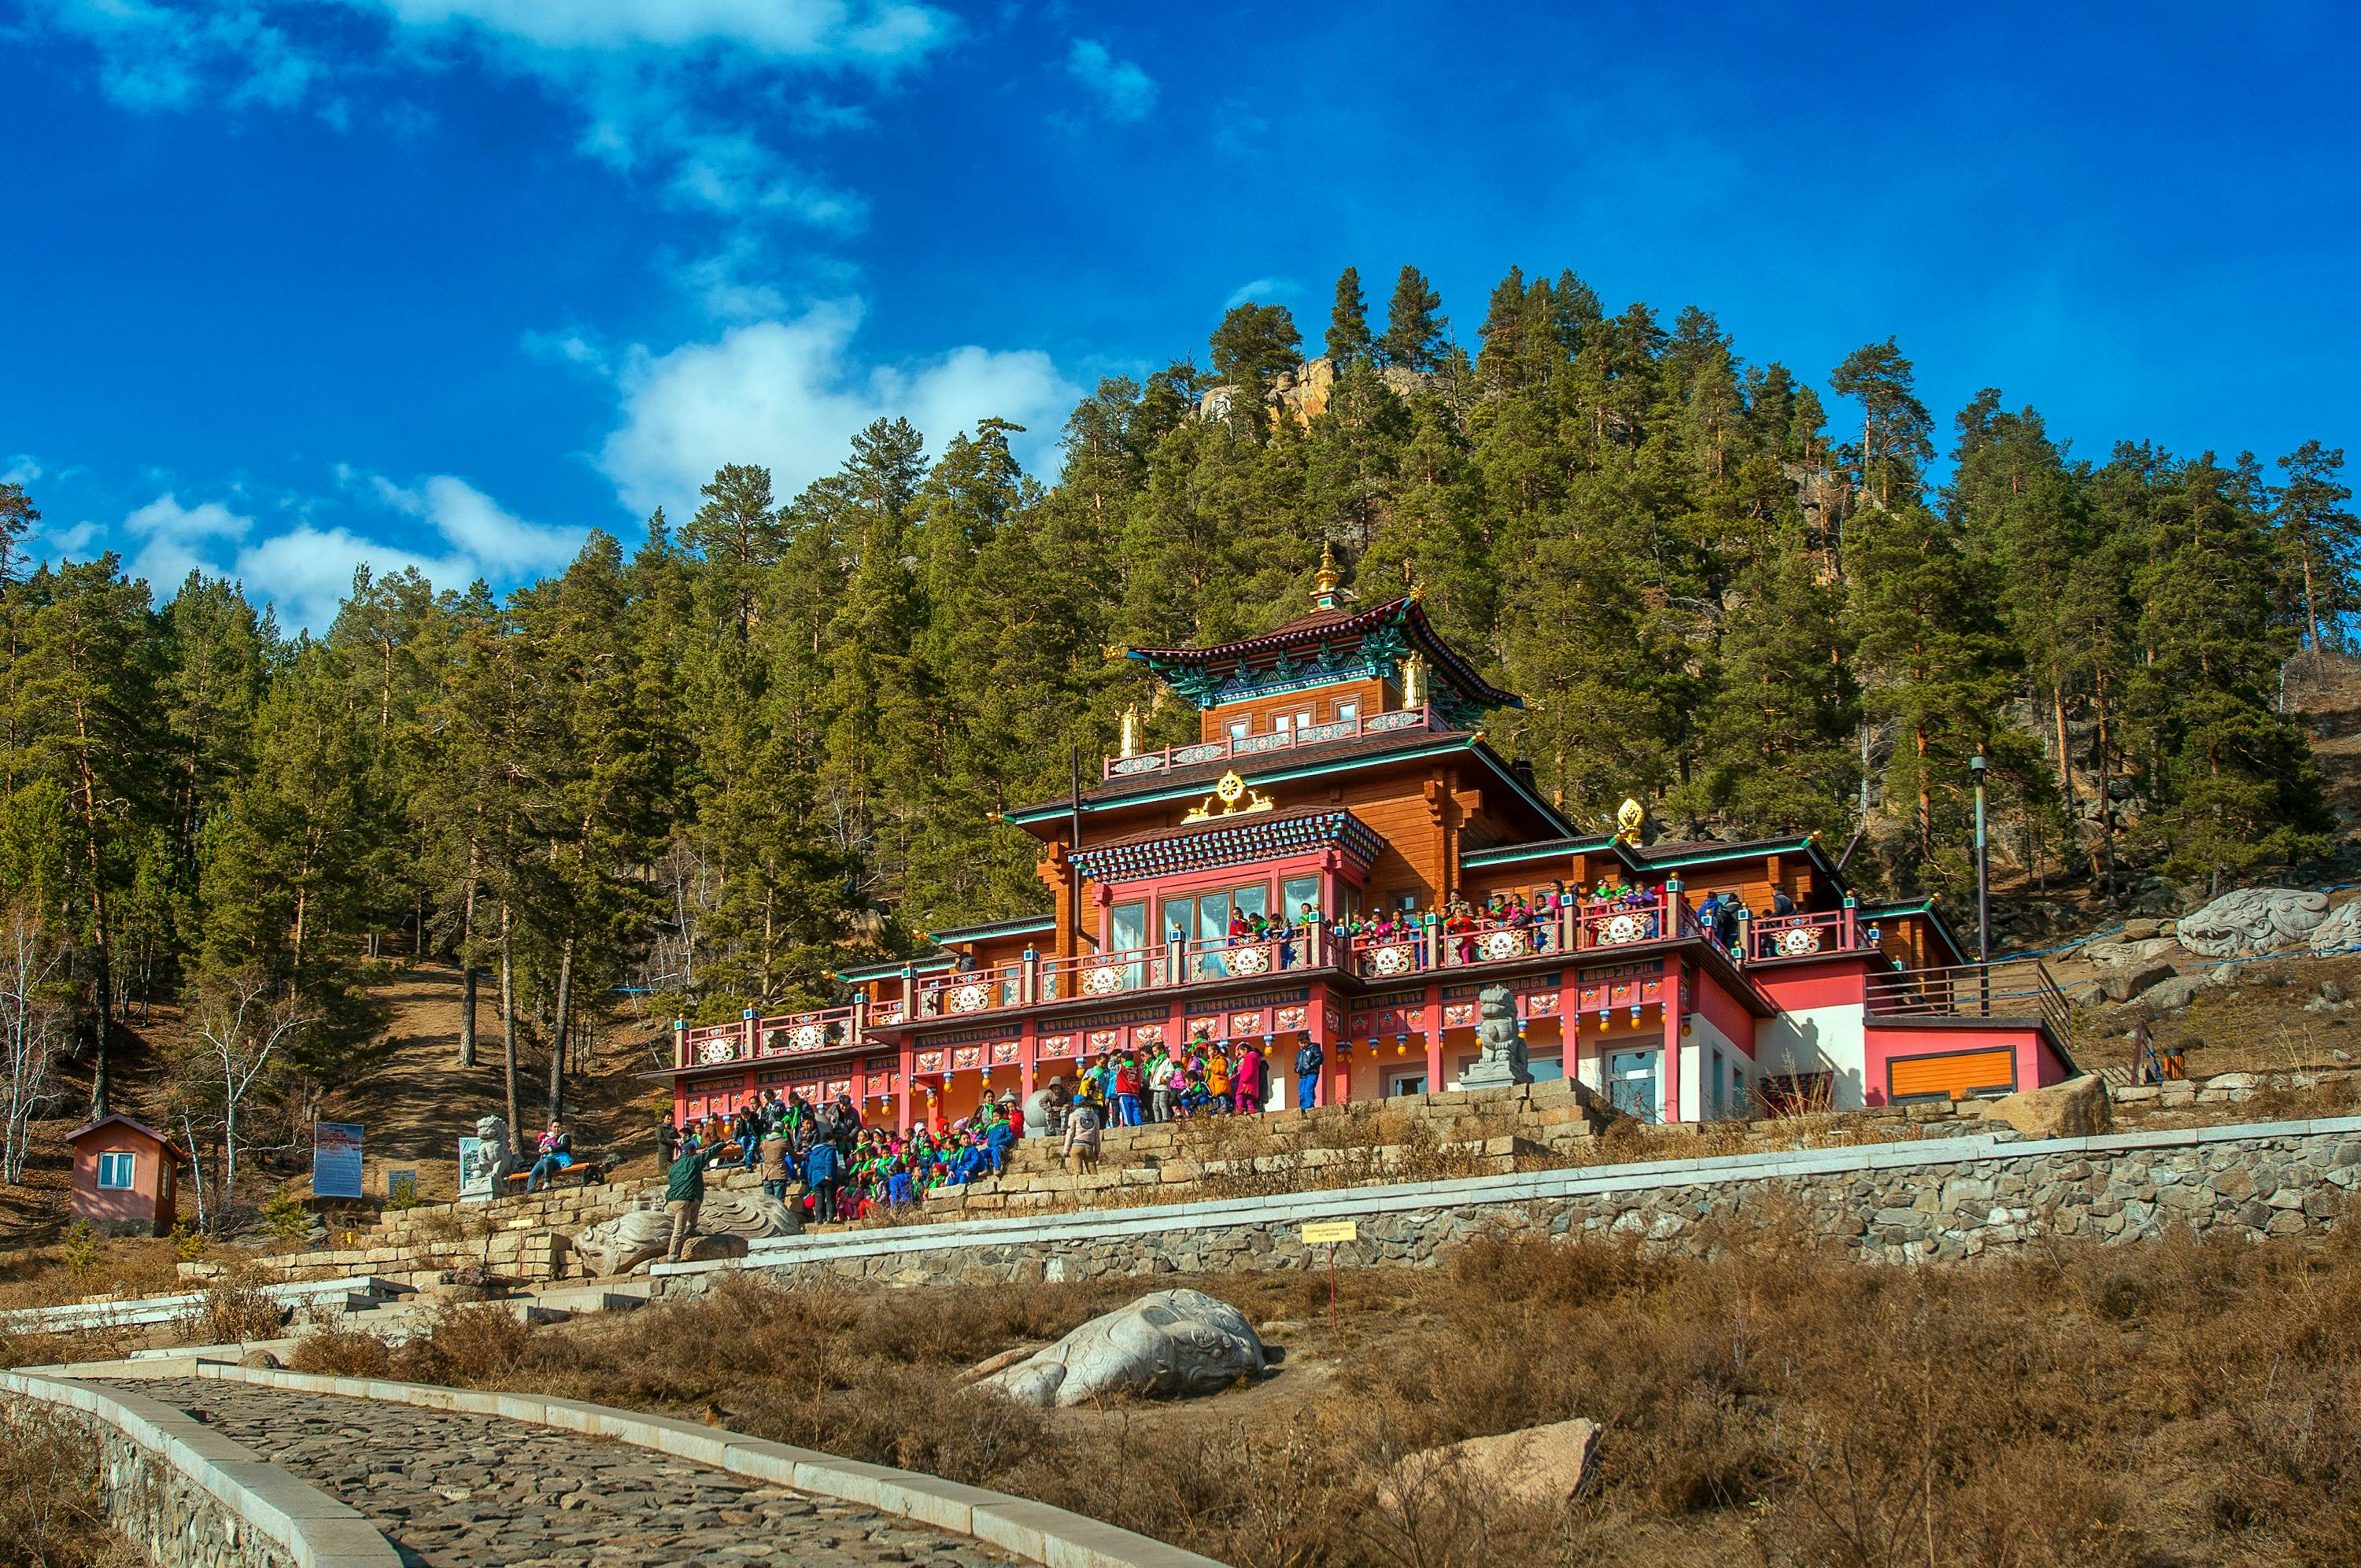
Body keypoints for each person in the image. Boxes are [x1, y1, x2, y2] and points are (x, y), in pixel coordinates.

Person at [663, 1137, 706, 1264]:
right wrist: (724, 1144)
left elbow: (671, 1179)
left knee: (697, 1202)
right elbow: (709, 1153)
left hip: (675, 1199)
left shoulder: (674, 1167)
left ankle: (692, 1228)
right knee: (679, 1229)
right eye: (694, 1151)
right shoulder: (693, 1161)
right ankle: (672, 1256)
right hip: (682, 1200)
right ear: (690, 1152)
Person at [525, 1119, 574, 1193]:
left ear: (562, 1127)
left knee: (546, 1162)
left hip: (559, 1160)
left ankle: (547, 1182)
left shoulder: (565, 1137)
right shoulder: (549, 1137)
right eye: (555, 1127)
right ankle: (529, 1190)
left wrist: (550, 1149)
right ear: (551, 1128)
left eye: (559, 1127)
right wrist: (542, 1150)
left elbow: (564, 1147)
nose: (557, 1129)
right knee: (534, 1172)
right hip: (545, 1160)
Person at [805, 1134, 842, 1223]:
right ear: (828, 1141)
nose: (834, 1143)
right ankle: (830, 1220)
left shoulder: (813, 1153)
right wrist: (829, 1174)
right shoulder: (830, 1150)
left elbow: (810, 1168)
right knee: (830, 1198)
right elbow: (829, 1162)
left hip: (816, 1179)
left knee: (819, 1199)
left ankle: (819, 1220)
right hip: (827, 1178)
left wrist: (810, 1182)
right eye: (833, 1141)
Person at [1063, 1094, 1103, 1175]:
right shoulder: (1095, 1117)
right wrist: (1097, 1150)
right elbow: (1097, 1135)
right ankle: (1096, 1182)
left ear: (1075, 1104)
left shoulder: (1073, 1115)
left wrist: (1066, 1150)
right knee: (1093, 1172)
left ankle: (1079, 1182)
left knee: (1078, 1172)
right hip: (1089, 1147)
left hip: (1076, 1146)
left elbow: (1070, 1133)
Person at [757, 1120, 790, 1203]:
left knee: (768, 1204)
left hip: (767, 1175)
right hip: (779, 1174)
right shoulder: (784, 1142)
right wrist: (803, 1157)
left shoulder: (765, 1142)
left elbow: (757, 1151)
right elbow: (794, 1155)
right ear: (782, 1131)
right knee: (779, 1203)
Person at [1233, 1038, 1265, 1116]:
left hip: (1246, 1084)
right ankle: (1251, 1109)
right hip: (1252, 1084)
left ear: (1245, 1050)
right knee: (1249, 1099)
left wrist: (1244, 1079)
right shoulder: (1254, 1058)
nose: (1240, 1054)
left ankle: (1240, 1108)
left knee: (1239, 1097)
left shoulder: (1249, 1058)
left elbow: (1249, 1070)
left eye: (1241, 1052)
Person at [1294, 1035, 1324, 1112]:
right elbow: (1297, 1063)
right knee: (1302, 1092)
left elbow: (1320, 1058)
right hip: (1302, 1075)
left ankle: (1309, 1107)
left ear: (1308, 1041)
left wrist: (1311, 1065)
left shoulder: (1314, 1048)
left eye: (1305, 1043)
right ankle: (1303, 1108)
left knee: (1308, 1090)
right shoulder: (1299, 1053)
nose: (1303, 1045)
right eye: (1301, 1043)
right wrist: (1296, 1069)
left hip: (1312, 1073)